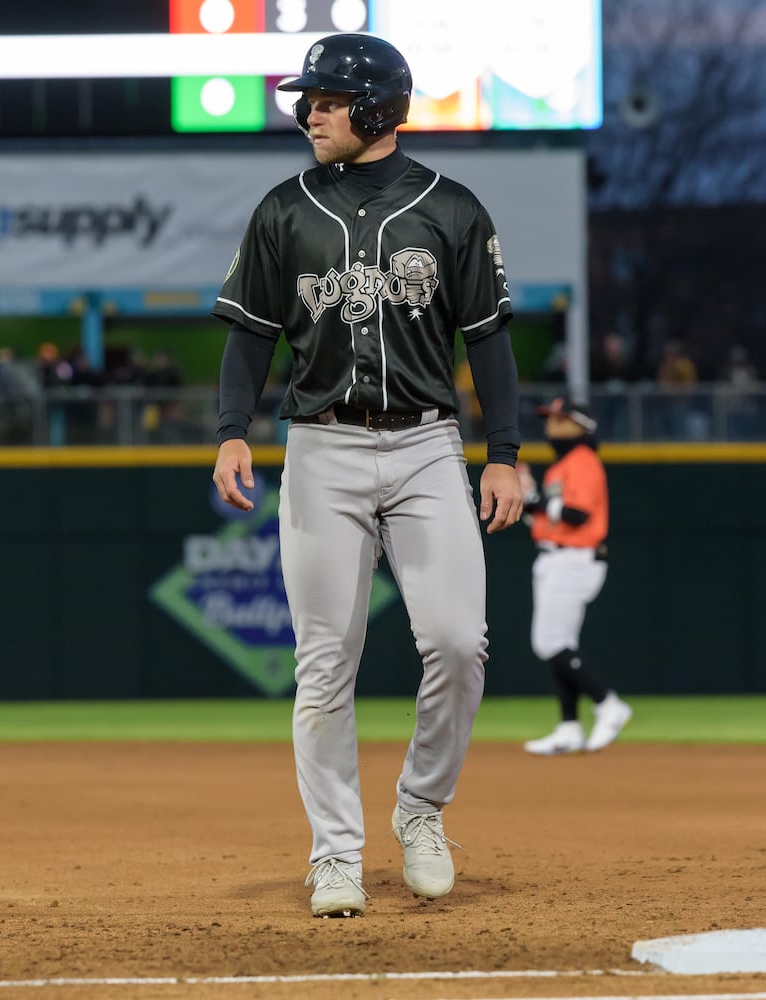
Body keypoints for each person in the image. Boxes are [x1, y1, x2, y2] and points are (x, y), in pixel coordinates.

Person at [210, 32, 524, 919]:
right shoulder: (283, 209)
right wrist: (232, 432)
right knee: (324, 665)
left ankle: (420, 811)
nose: (309, 110)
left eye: (327, 98)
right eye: (308, 97)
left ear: (378, 109)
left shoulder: (451, 207)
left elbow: (488, 340)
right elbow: (249, 337)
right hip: (320, 446)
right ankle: (335, 853)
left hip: (428, 445)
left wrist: (503, 453)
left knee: (460, 644)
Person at [515, 398, 632, 756]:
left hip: (574, 558)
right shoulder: (561, 466)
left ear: (581, 427)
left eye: (560, 421)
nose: (551, 427)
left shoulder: (581, 461)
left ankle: (608, 705)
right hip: (556, 557)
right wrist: (528, 502)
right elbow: (547, 520)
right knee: (560, 642)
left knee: (549, 642)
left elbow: (578, 514)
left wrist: (534, 498)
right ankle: (569, 727)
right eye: (549, 420)